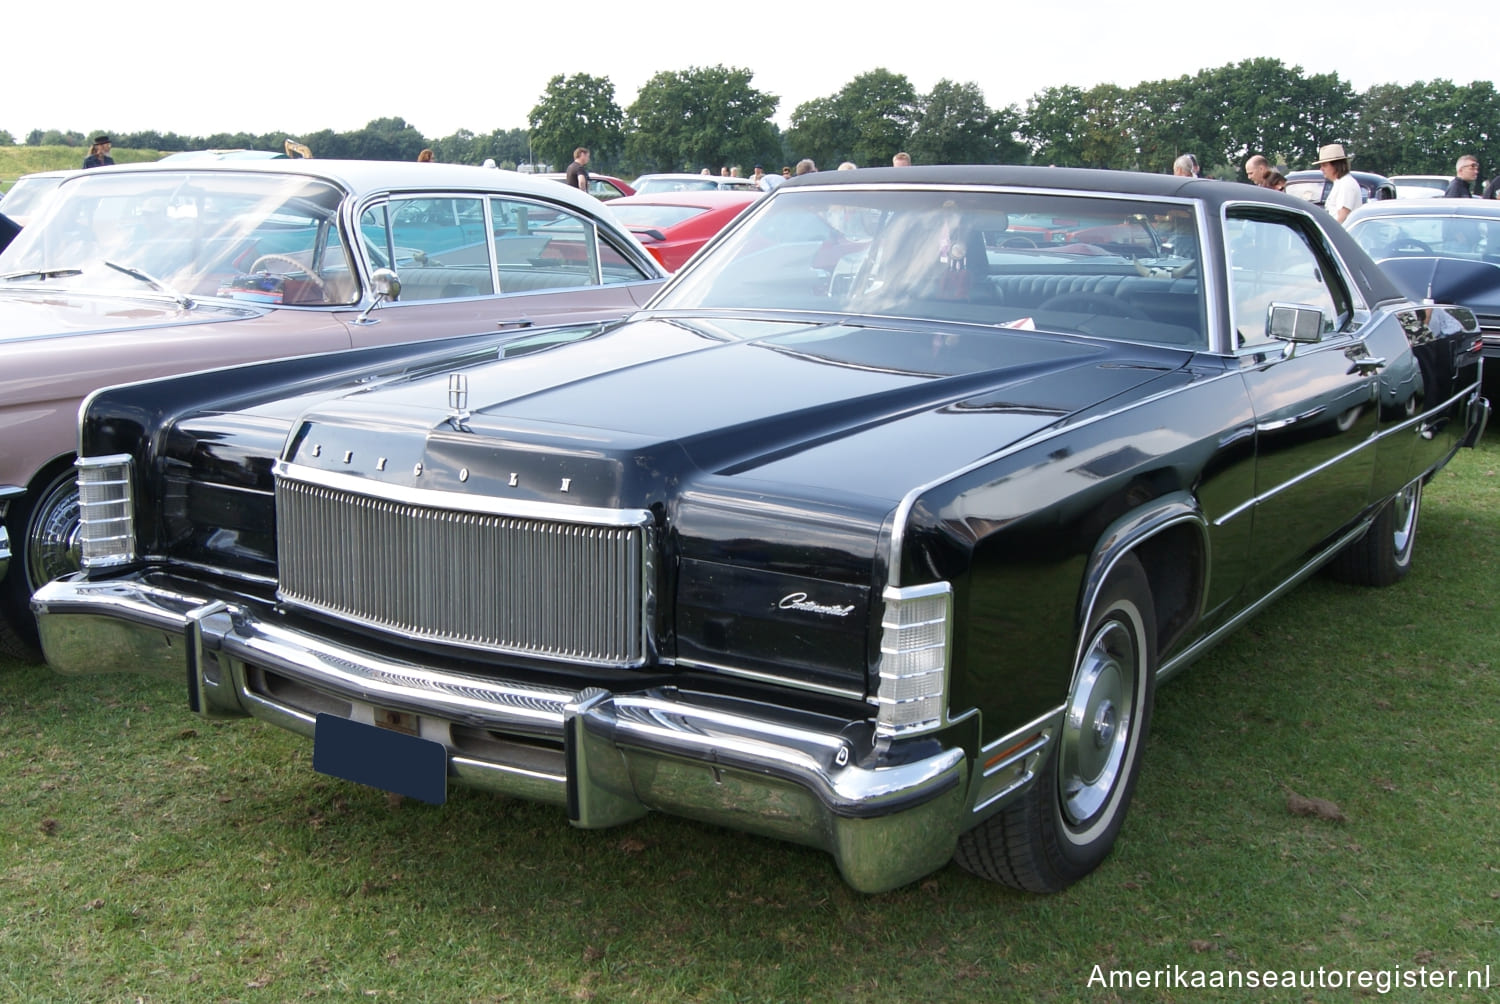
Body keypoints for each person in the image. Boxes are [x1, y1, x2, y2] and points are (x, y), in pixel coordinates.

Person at [1313, 143, 1360, 224]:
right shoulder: (1340, 183)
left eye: (1325, 165)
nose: (1321, 169)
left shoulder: (1346, 184)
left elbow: (1342, 217)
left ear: (1336, 165)